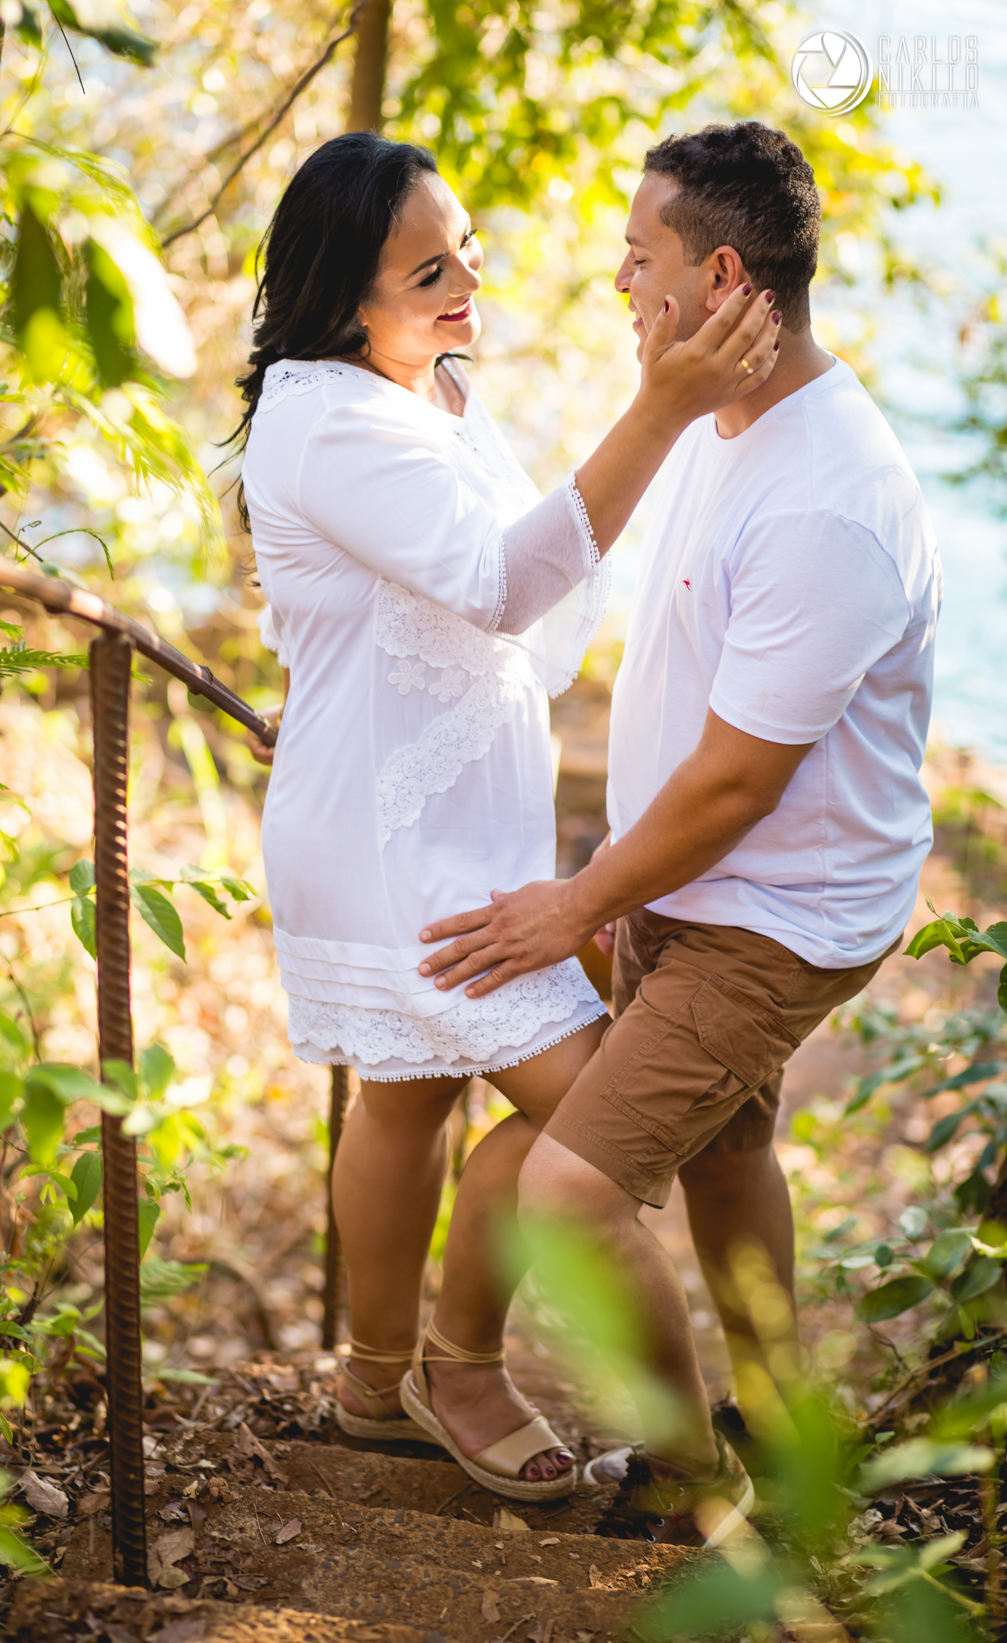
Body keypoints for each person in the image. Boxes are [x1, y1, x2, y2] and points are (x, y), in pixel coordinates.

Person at [418, 121, 941, 1539]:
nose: (616, 282)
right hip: (704, 881)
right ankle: (771, 1420)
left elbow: (738, 787)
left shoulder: (827, 500)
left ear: (718, 275)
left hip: (772, 912)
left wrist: (577, 901)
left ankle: (694, 1480)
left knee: (572, 1200)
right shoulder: (725, 414)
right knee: (722, 1153)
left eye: (637, 258)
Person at [240, 130, 778, 1500]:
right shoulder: (326, 418)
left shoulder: (428, 384)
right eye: (430, 271)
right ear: (339, 297)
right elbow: (495, 579)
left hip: (458, 828)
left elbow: (531, 561)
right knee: (590, 1110)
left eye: (466, 244)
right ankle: (524, 1397)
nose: (470, 280)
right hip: (384, 841)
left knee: (411, 1098)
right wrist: (660, 406)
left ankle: (379, 1383)